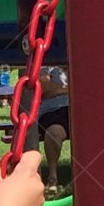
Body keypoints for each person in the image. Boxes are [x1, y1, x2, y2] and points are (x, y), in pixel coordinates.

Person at [38, 64, 70, 196]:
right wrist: (70, 88)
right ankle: (53, 178)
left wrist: (58, 89)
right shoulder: (46, 63)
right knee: (54, 132)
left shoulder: (80, 57)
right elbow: (44, 88)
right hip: (51, 111)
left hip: (77, 108)